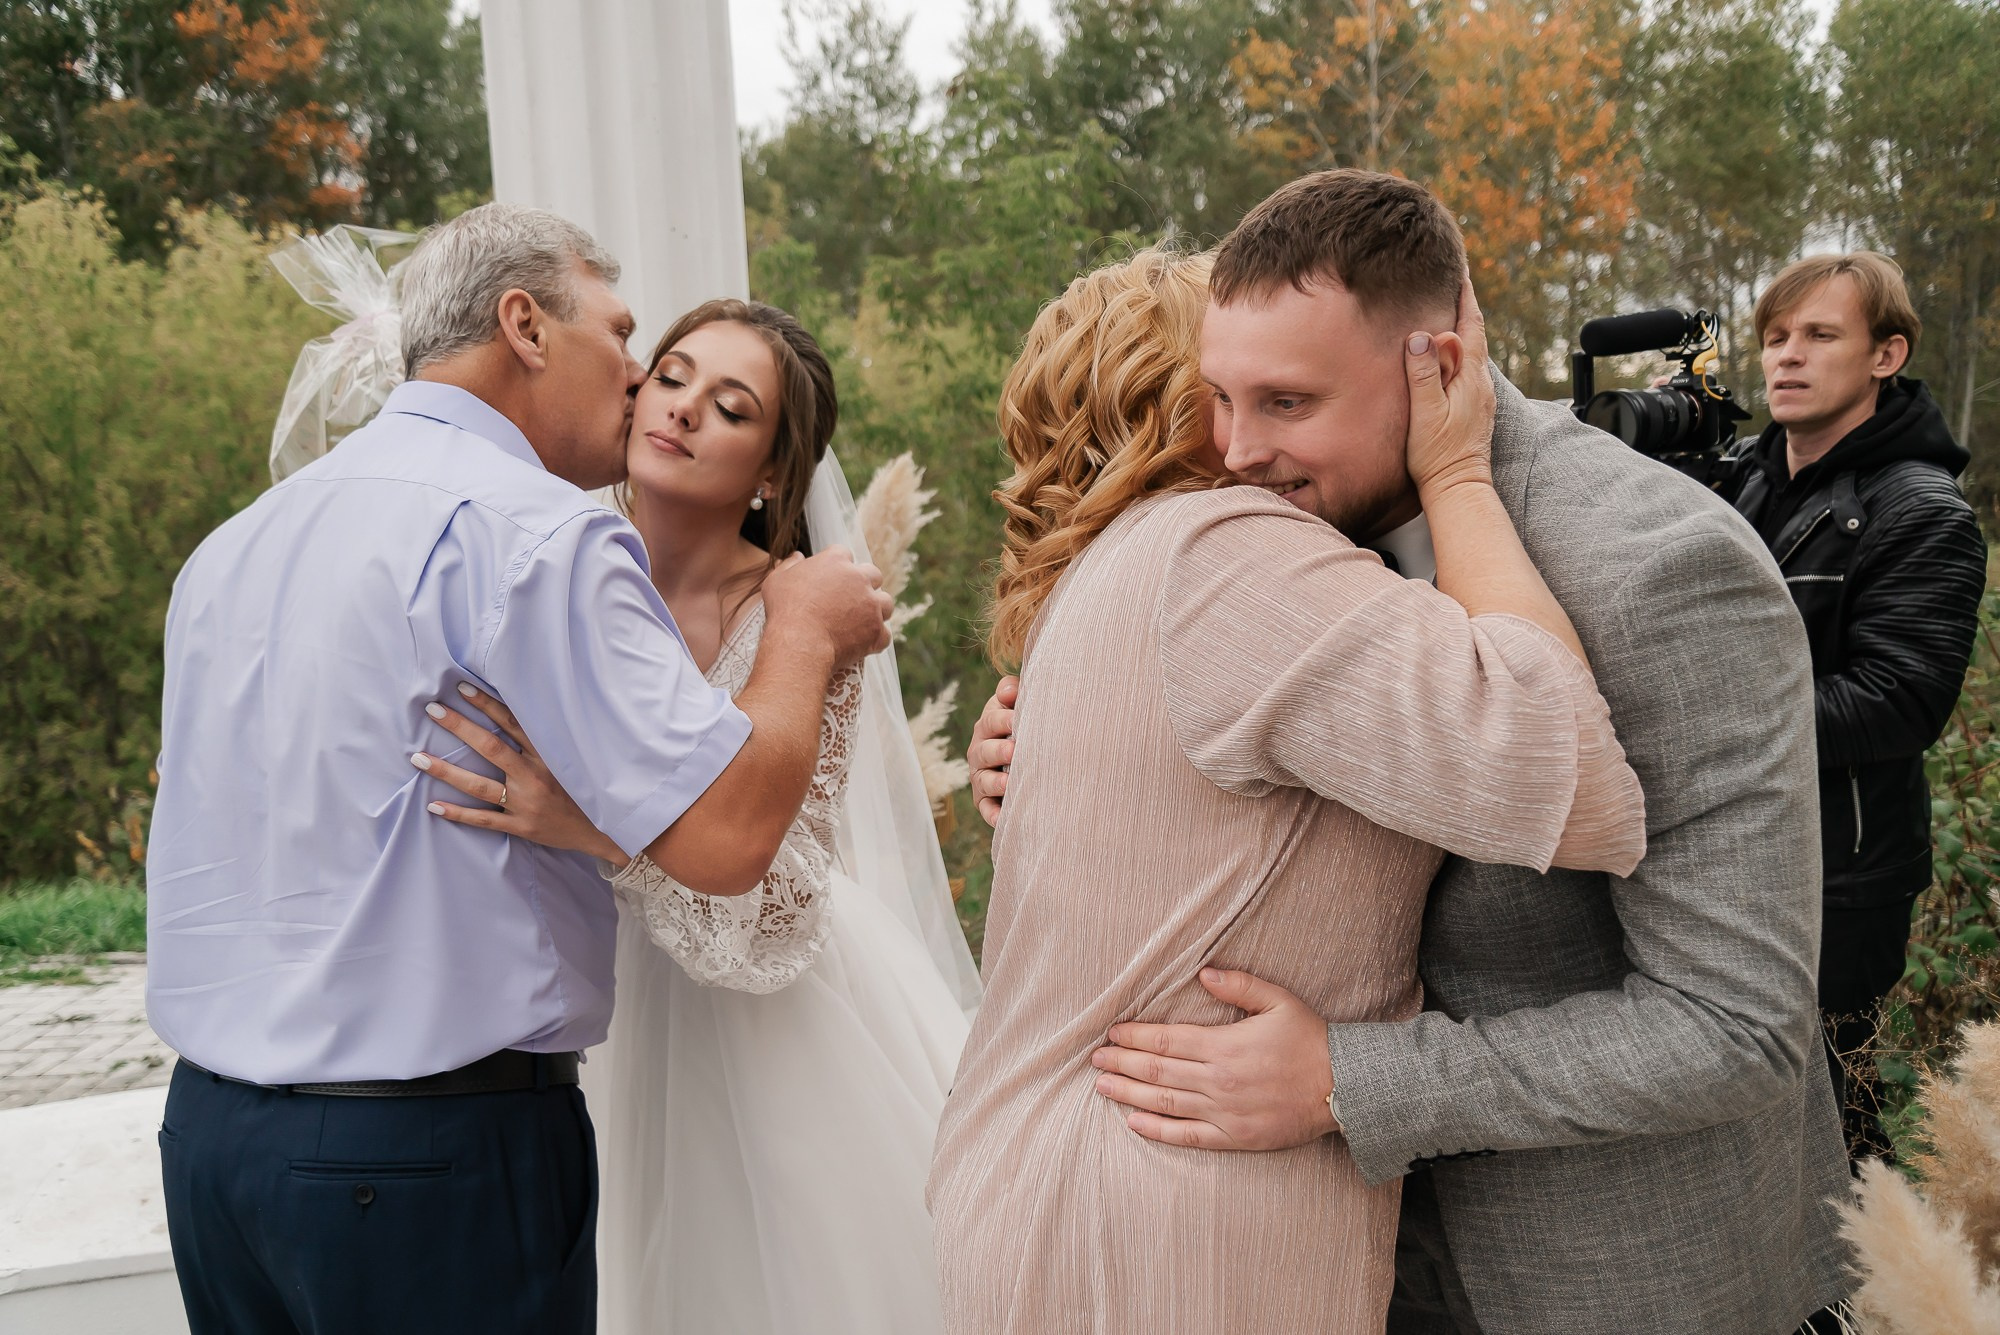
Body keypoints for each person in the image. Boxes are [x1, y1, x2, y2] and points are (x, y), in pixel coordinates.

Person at [967, 171, 1853, 1333]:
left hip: (1610, 1278)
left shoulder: (1656, 572)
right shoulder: (1274, 537)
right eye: (1219, 400)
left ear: (1430, 364)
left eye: (1284, 403)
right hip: (1338, 1256)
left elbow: (1733, 1026)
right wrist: (1068, 754)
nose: (1233, 451)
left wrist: (1350, 1080)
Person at [146, 204, 892, 1335]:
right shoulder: (534, 535)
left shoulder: (235, 543)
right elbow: (731, 841)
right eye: (624, 334)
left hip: (210, 1151)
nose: (639, 379)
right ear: (525, 328)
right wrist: (801, 633)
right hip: (423, 1163)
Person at [927, 243, 1648, 1333]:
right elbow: (1570, 775)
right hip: (1169, 1214)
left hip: (1057, 1176)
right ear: (1189, 396)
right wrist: (1455, 475)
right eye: (1235, 383)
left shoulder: (1112, 576)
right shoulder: (1231, 554)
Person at [413, 298, 981, 1334]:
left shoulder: (805, 620)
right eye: (668, 377)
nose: (678, 411)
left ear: (771, 472)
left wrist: (593, 831)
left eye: (728, 407)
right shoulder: (550, 566)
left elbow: (779, 909)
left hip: (766, 1030)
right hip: (576, 1004)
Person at [1726, 252, 1986, 1163]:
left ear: (1886, 355)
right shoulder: (1747, 487)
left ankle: (1846, 1294)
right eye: (1776, 337)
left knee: (1832, 1118)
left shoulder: (1922, 510)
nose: (1786, 357)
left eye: (1819, 335)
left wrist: (1710, 719)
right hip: (1738, 849)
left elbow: (1896, 701)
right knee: (1741, 1112)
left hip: (1844, 870)